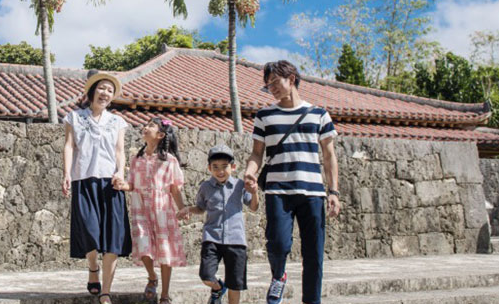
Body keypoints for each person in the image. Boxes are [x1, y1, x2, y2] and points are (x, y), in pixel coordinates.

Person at [243, 60, 341, 304]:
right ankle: (279, 275)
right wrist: (250, 172)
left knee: (314, 254)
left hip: (313, 193)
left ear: (292, 78)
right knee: (277, 243)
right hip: (277, 191)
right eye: (268, 86)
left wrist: (334, 192)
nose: (272, 88)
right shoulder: (264, 116)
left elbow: (329, 156)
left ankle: (312, 300)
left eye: (275, 83)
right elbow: (257, 153)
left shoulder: (319, 114)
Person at [62, 70, 132, 304]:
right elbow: (69, 146)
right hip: (84, 180)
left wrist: (120, 172)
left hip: (111, 183)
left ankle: (106, 292)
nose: (105, 93)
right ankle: (93, 269)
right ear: (92, 91)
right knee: (89, 232)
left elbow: (120, 151)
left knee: (112, 240)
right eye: (102, 88)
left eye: (110, 91)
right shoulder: (75, 117)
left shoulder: (118, 122)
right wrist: (66, 174)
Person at [112, 118, 187, 304]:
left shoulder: (169, 161)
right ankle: (152, 276)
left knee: (165, 251)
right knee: (143, 247)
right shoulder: (136, 159)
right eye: (145, 125)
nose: (145, 128)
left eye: (151, 126)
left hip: (163, 210)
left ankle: (165, 294)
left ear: (160, 135)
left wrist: (182, 208)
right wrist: (123, 185)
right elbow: (132, 185)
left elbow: (174, 188)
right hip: (141, 208)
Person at [178, 144, 259, 304]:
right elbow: (201, 208)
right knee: (206, 275)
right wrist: (187, 209)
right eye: (215, 167)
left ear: (233, 167)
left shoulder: (240, 186)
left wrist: (254, 192)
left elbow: (254, 207)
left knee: (235, 283)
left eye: (224, 166)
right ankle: (217, 288)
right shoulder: (205, 187)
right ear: (209, 168)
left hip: (236, 240)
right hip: (212, 238)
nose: (220, 171)